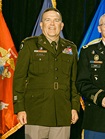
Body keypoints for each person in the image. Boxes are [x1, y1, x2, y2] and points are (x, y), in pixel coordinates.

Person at [13, 8, 80, 139]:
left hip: (62, 112)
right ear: (41, 24)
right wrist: (20, 108)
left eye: (56, 20)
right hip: (37, 111)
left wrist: (74, 107)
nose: (52, 24)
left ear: (62, 25)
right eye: (48, 20)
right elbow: (19, 79)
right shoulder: (29, 45)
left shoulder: (70, 48)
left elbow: (74, 81)